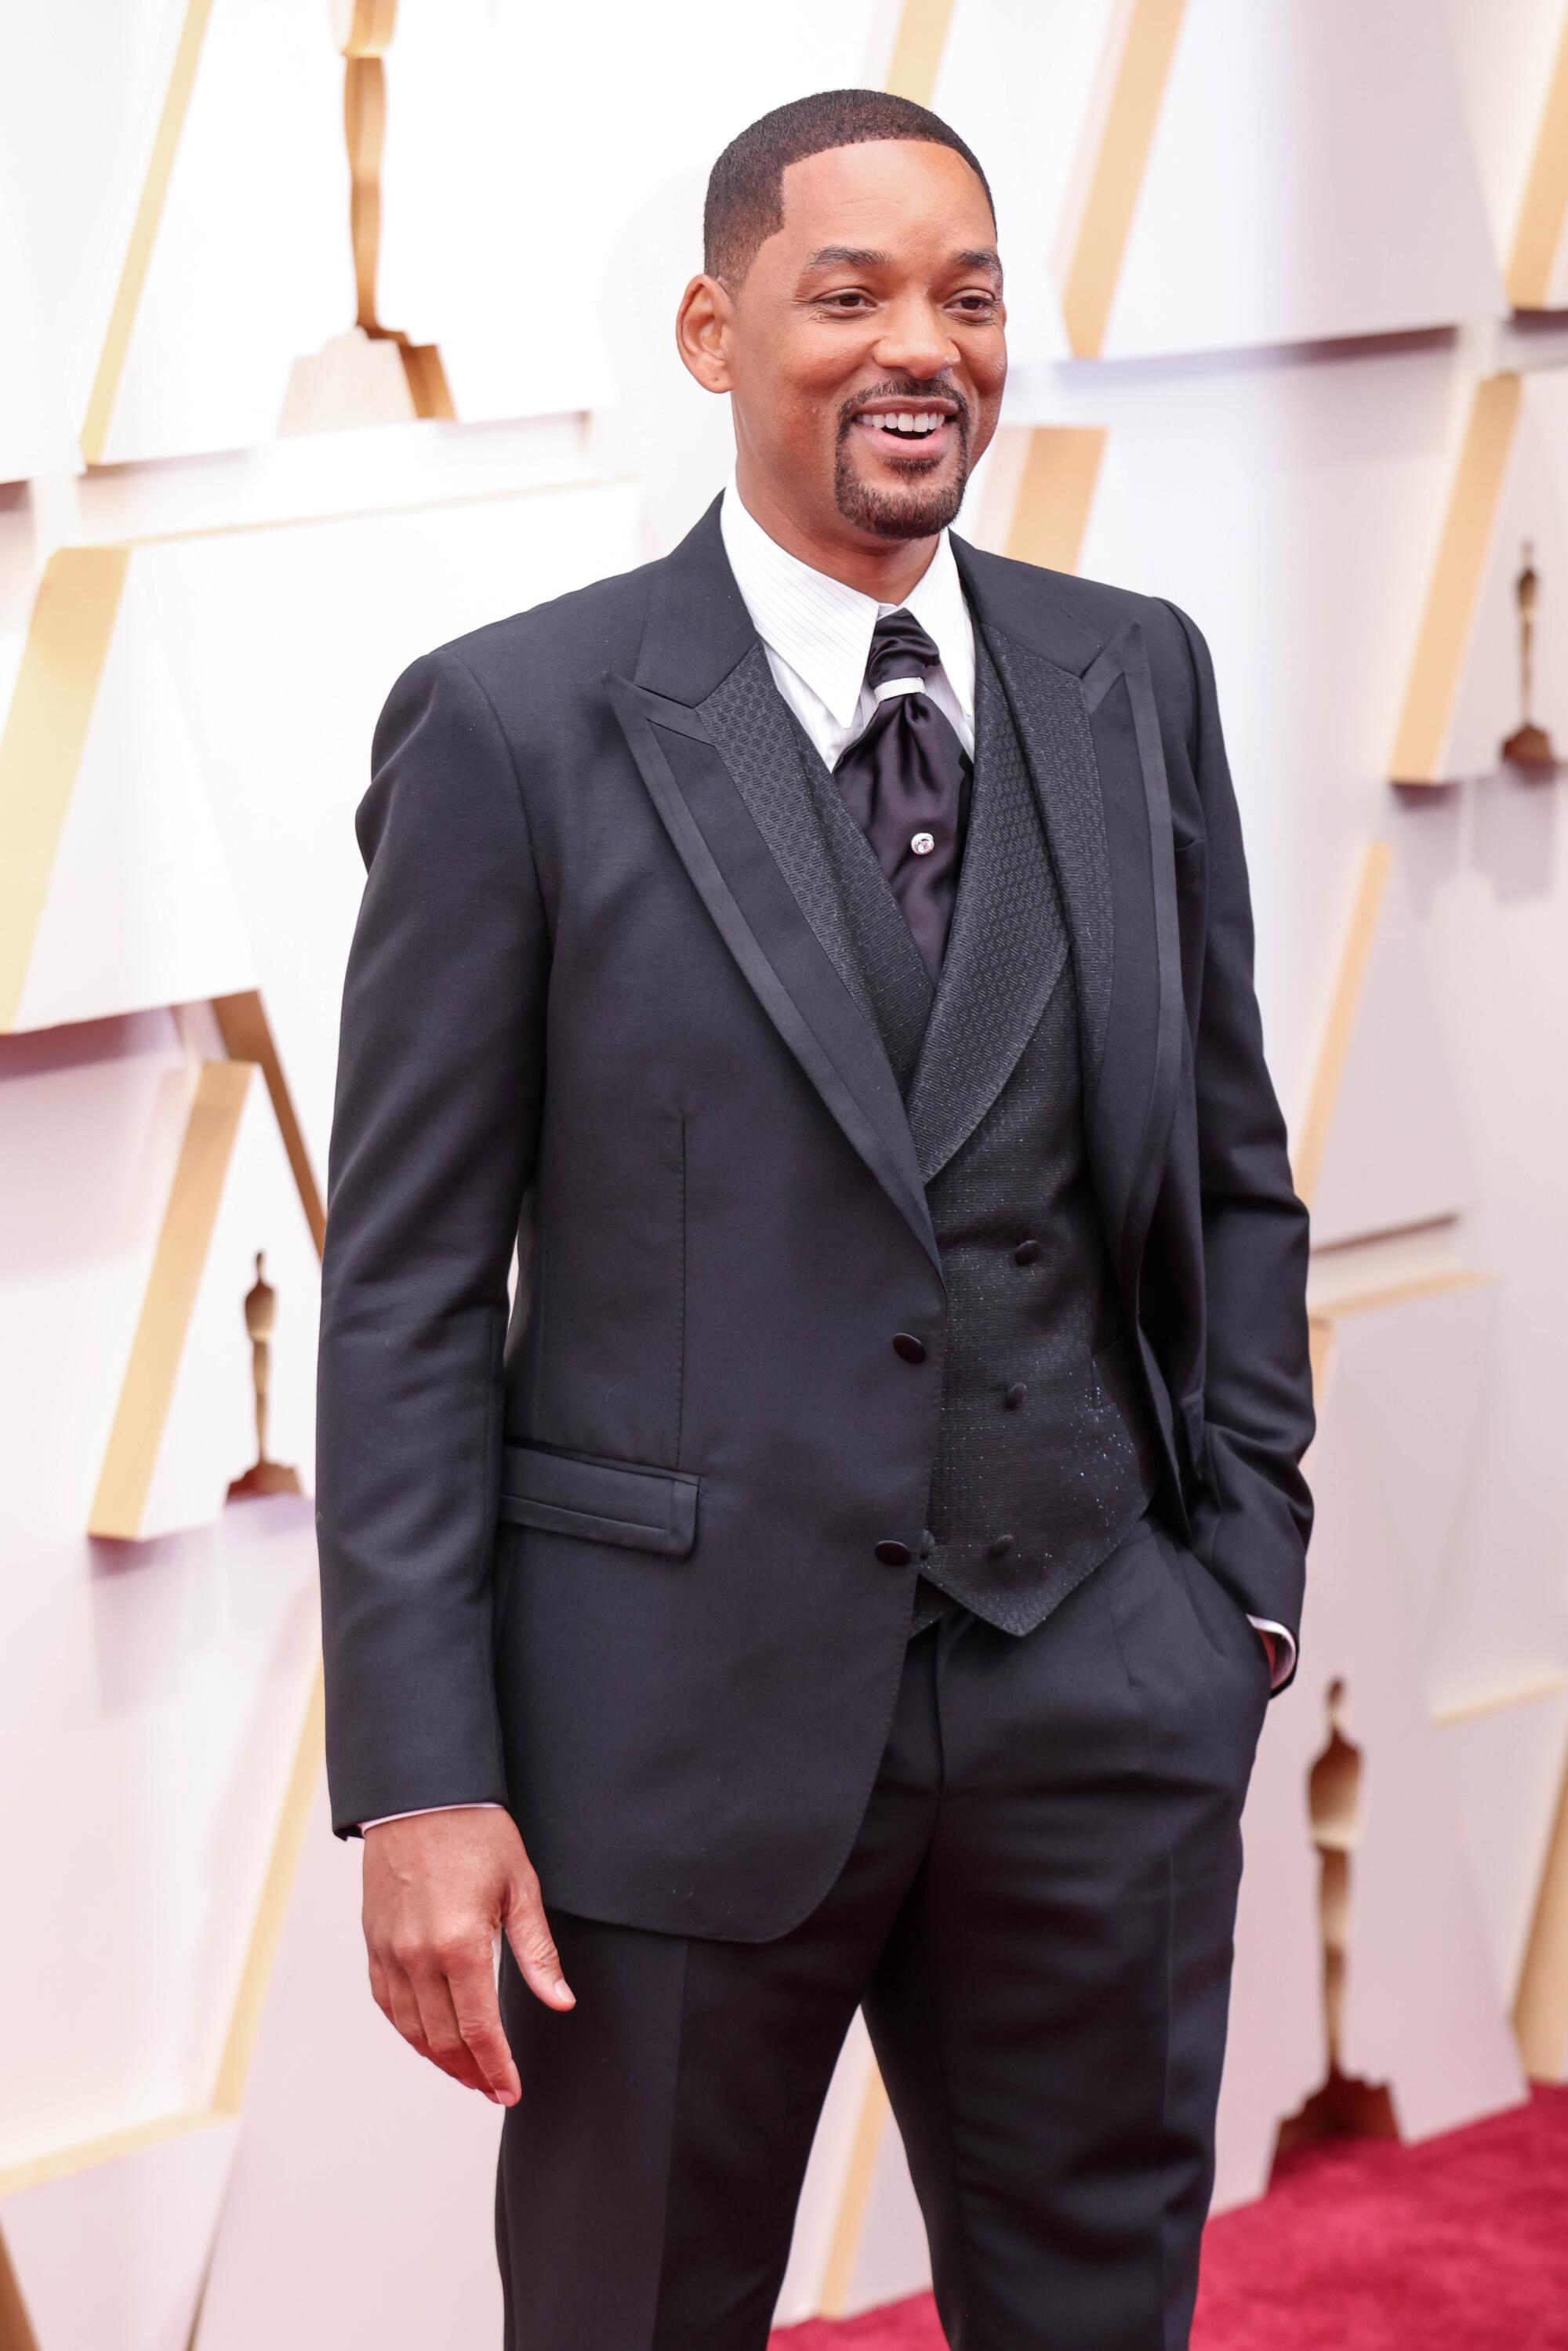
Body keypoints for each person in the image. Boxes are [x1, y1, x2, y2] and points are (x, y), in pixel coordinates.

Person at [315, 87, 1315, 2351]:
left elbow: (1232, 1166)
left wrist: (1237, 1588)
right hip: (663, 1739)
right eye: (846, 292)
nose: (921, 346)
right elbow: (396, 1296)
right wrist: (422, 1775)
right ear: (711, 328)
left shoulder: (1129, 676)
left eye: (966, 295)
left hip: (1100, 1699)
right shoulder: (516, 728)